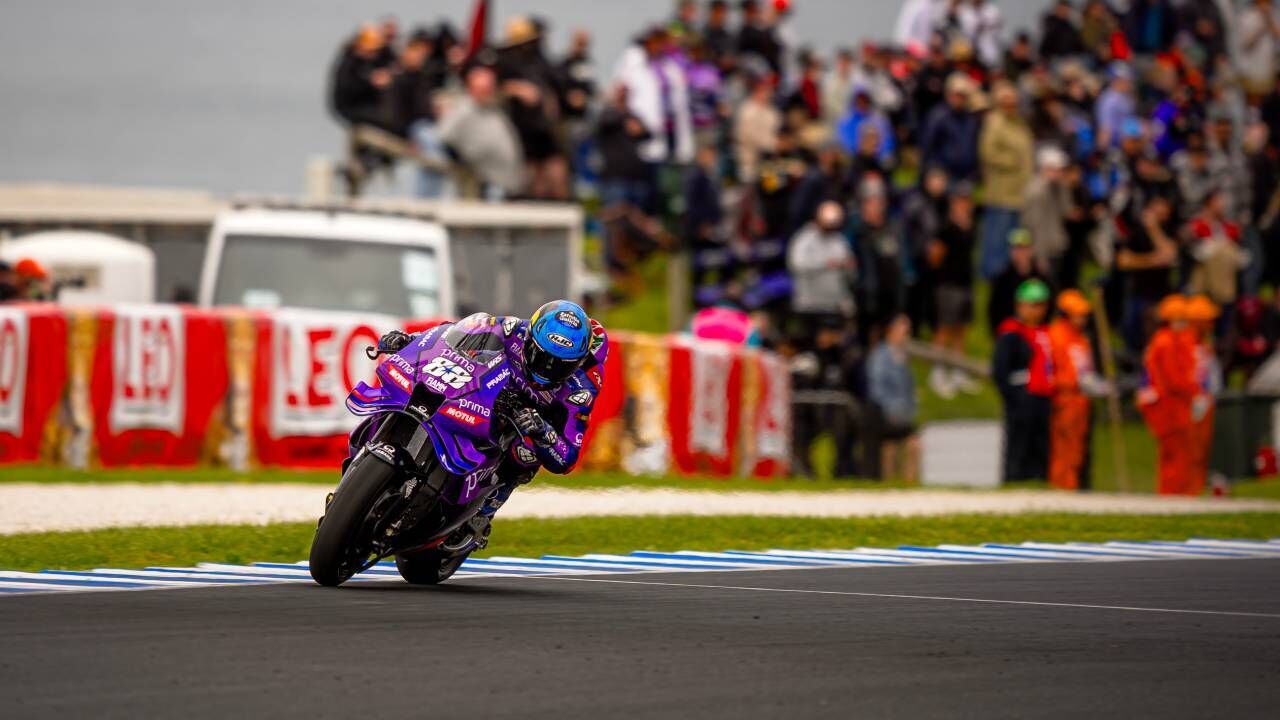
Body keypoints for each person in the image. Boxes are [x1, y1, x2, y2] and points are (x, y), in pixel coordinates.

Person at [365, 301, 609, 522]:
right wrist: (411, 340)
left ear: (577, 363)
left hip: (525, 417)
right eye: (541, 356)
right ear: (531, 338)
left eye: (559, 366)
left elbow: (567, 459)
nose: (546, 369)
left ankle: (484, 510)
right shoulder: (513, 329)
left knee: (524, 454)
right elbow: (453, 333)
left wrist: (542, 430)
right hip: (483, 391)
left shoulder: (581, 389)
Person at [992, 279, 1055, 483]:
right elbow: (1000, 369)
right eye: (1033, 304)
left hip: (1044, 396)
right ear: (1020, 305)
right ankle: (1014, 480)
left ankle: (1039, 479)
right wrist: (1013, 396)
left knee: (1042, 443)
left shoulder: (1047, 332)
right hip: (1022, 395)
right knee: (1019, 443)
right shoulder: (1011, 332)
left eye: (1041, 304)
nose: (1038, 310)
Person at [1137, 295, 1199, 495]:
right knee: (1175, 451)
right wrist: (1194, 392)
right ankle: (1173, 493)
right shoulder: (1165, 342)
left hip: (1175, 403)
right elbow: (1174, 379)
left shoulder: (1175, 339)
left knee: (1176, 451)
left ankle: (1175, 491)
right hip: (1169, 405)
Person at [437, 60, 525, 200]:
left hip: (506, 182)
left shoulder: (492, 109)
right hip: (486, 182)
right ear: (471, 87)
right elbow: (445, 137)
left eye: (490, 87)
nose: (488, 92)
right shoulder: (463, 109)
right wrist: (467, 160)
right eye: (483, 89)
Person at [978, 80, 1034, 280]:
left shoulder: (1018, 122)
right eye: (1007, 99)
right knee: (997, 239)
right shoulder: (995, 121)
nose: (1011, 103)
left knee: (1014, 239)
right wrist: (1012, 160)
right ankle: (992, 277)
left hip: (1020, 192)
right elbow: (988, 152)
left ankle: (1010, 275)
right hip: (1001, 193)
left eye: (1014, 99)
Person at [1048, 290, 1103, 491]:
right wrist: (1073, 382)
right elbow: (1053, 370)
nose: (1082, 319)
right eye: (1077, 314)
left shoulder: (1081, 339)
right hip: (1065, 398)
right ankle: (1061, 488)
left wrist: (1094, 383)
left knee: (1077, 450)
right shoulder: (1057, 336)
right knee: (1063, 449)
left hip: (1081, 400)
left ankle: (1071, 486)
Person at [929, 180, 979, 398]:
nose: (964, 204)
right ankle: (938, 372)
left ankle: (959, 372)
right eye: (961, 200)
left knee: (961, 330)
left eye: (967, 200)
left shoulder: (970, 226)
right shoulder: (946, 227)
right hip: (948, 285)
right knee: (944, 329)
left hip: (965, 283)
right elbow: (935, 256)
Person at [787, 200, 856, 336]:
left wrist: (849, 267)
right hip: (809, 305)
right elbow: (797, 264)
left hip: (833, 305)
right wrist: (825, 264)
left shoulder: (839, 241)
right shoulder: (804, 239)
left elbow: (848, 271)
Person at [866, 314, 920, 481]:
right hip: (885, 413)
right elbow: (877, 388)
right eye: (903, 330)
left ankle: (908, 482)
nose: (906, 334)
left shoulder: (903, 356)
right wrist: (893, 409)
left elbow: (909, 388)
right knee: (890, 447)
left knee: (914, 446)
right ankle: (888, 481)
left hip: (903, 412)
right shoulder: (881, 356)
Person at [1183, 295, 1221, 495]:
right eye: (1208, 319)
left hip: (1205, 402)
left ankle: (1196, 491)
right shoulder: (1184, 343)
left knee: (1202, 451)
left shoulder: (1206, 343)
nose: (1211, 324)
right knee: (1188, 451)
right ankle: (1187, 492)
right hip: (1189, 403)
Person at [1023, 146, 1071, 287]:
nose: (1061, 174)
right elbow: (1035, 226)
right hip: (1043, 252)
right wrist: (1040, 257)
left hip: (1056, 248)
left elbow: (1066, 210)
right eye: (1057, 170)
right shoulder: (1036, 192)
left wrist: (1062, 186)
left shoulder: (1056, 187)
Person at [988, 228, 1049, 337]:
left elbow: (1048, 305)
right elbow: (994, 309)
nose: (1020, 252)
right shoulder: (1002, 278)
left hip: (1034, 333)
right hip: (1009, 333)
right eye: (1016, 248)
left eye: (1024, 248)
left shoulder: (1040, 277)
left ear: (1031, 250)